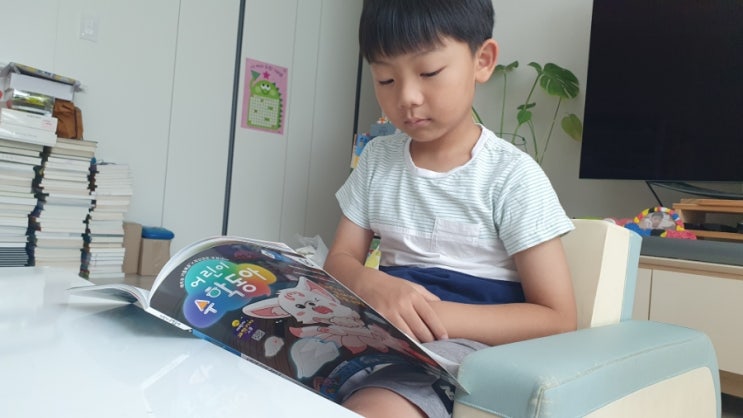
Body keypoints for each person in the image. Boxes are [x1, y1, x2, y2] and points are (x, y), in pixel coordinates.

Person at [323, 1, 577, 417]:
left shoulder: (511, 176)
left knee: (378, 405)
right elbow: (340, 259)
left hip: (457, 348)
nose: (407, 97)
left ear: (483, 61)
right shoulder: (377, 160)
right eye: (386, 78)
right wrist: (371, 284)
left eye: (429, 73)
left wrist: (432, 315)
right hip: (380, 330)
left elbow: (558, 318)